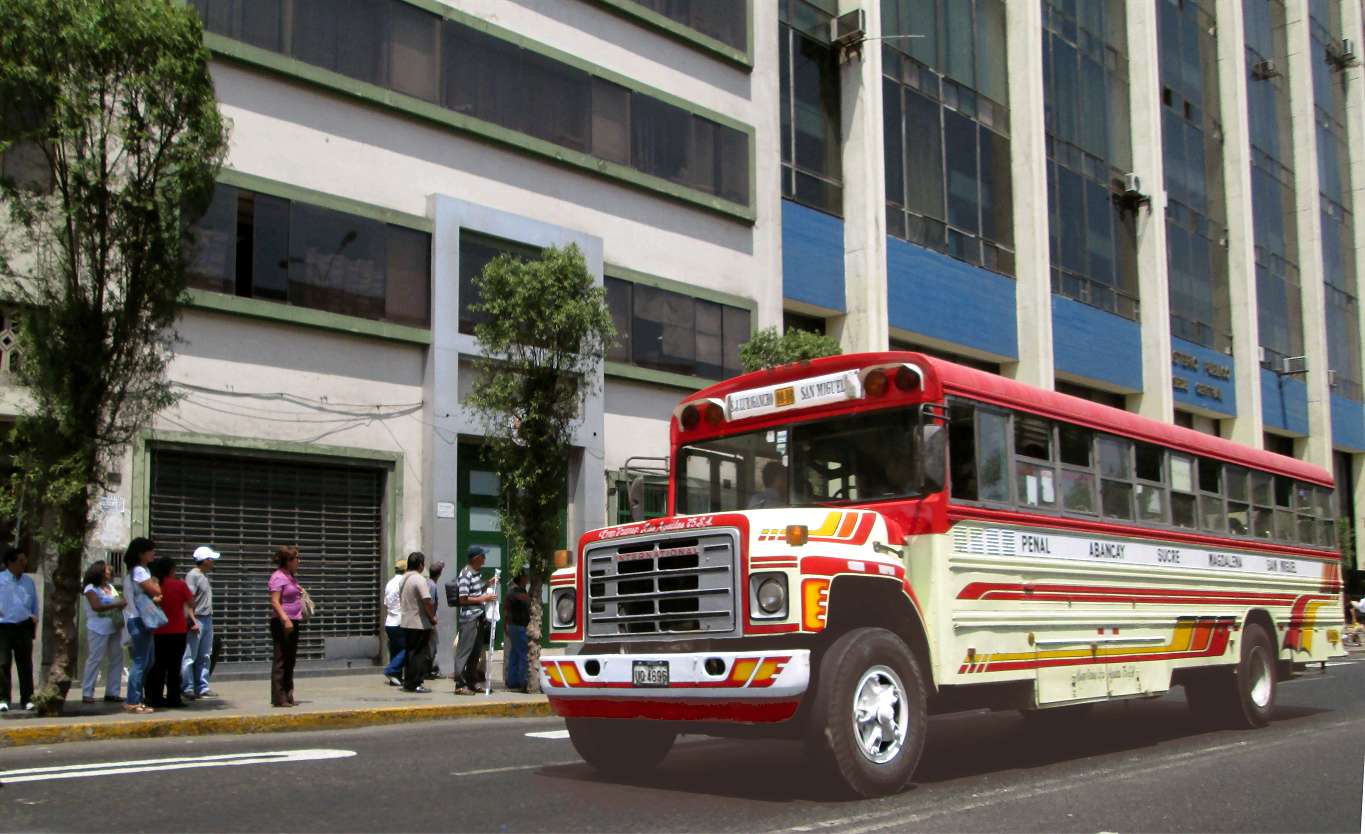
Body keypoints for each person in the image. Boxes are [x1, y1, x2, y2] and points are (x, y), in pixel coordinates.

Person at [145, 557, 197, 709]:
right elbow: (192, 603)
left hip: (158, 631)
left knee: (158, 666)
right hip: (177, 631)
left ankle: (155, 697)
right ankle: (174, 698)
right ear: (171, 569)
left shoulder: (154, 585)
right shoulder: (180, 585)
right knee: (174, 667)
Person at [122, 537, 161, 714]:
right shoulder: (139, 571)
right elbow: (156, 591)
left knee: (148, 660)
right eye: (150, 551)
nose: (153, 553)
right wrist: (155, 583)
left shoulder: (135, 571)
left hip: (139, 619)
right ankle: (132, 700)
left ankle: (137, 698)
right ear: (141, 553)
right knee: (140, 662)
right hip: (139, 620)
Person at [80, 560, 126, 704]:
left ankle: (113, 691)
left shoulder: (110, 587)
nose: (109, 572)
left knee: (117, 658)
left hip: (113, 626)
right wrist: (115, 604)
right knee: (95, 658)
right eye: (106, 570)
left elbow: (122, 600)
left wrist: (120, 603)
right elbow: (96, 606)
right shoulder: (90, 588)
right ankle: (87, 691)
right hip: (97, 627)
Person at [453, 546, 496, 695]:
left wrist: (488, 583)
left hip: (478, 617)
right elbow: (463, 598)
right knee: (465, 651)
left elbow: (475, 591)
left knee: (475, 652)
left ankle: (471, 681)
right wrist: (483, 598)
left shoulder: (476, 574)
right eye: (483, 556)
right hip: (469, 618)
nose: (484, 559)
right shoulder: (466, 574)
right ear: (476, 558)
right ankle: (459, 684)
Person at [0, 546, 38, 712]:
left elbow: (34, 603)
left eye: (25, 560)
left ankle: (27, 699)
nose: (24, 564)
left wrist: (34, 618)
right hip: (3, 626)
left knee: (25, 664)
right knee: (3, 664)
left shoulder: (28, 581)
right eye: (20, 561)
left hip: (23, 626)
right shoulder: (1, 579)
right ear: (10, 563)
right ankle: (3, 699)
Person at [180, 546, 220, 700]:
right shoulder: (193, 576)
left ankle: (202, 687)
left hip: (207, 618)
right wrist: (192, 621)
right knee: (190, 656)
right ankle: (187, 687)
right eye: (211, 559)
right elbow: (188, 600)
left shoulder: (203, 576)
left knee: (205, 655)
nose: (213, 562)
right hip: (198, 619)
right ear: (205, 560)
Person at [268, 545, 304, 708]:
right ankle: (279, 697)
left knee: (290, 659)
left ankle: (289, 693)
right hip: (283, 622)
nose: (299, 561)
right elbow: (275, 601)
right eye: (296, 558)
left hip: (294, 620)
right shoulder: (278, 577)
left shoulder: (290, 576)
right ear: (288, 561)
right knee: (281, 658)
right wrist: (285, 619)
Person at [397, 551, 435, 693]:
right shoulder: (419, 579)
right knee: (419, 654)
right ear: (420, 565)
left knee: (410, 653)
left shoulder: (404, 579)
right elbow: (427, 600)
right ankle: (416, 682)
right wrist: (432, 617)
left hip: (406, 621)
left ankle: (408, 682)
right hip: (419, 622)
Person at [503, 569, 531, 693]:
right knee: (524, 654)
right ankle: (524, 681)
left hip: (515, 626)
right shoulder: (515, 591)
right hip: (517, 626)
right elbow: (526, 600)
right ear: (521, 579)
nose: (528, 580)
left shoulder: (519, 590)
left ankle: (512, 681)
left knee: (515, 654)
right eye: (526, 577)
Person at [381, 558, 407, 687]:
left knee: (395, 649)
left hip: (389, 621)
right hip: (399, 621)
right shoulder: (403, 582)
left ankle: (395, 677)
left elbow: (386, 604)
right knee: (408, 648)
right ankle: (391, 670)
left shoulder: (390, 583)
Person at [426, 561, 445, 680]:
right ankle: (431, 670)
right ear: (439, 574)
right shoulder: (432, 585)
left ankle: (432, 669)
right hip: (430, 620)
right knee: (432, 647)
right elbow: (430, 603)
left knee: (431, 646)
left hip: (427, 620)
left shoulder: (427, 582)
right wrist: (433, 618)